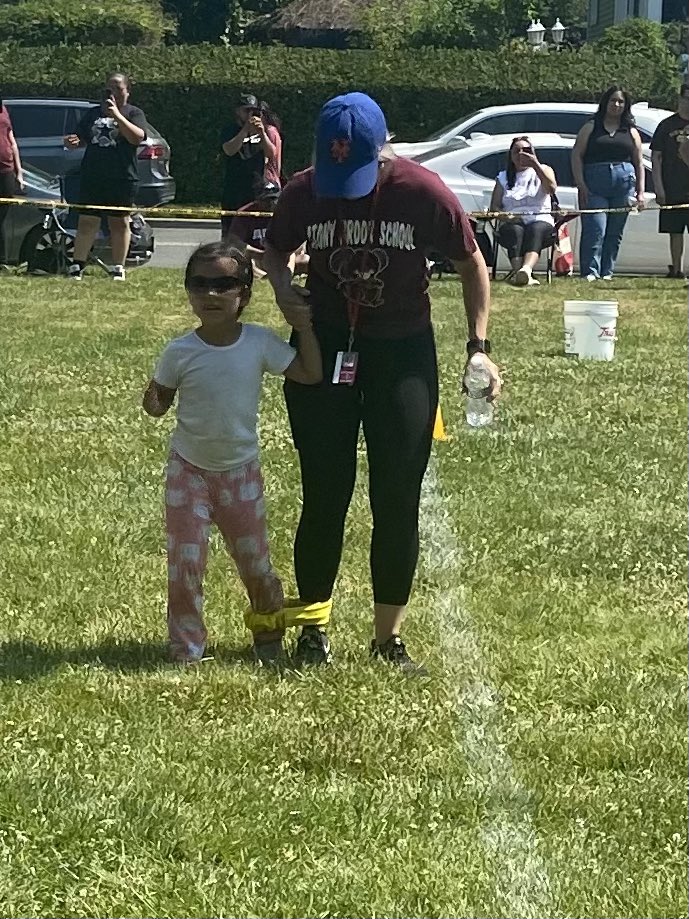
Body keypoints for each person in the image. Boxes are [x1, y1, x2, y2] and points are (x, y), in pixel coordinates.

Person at [263, 92, 501, 672]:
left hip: (402, 352)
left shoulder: (421, 192)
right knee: (324, 491)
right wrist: (283, 287)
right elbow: (272, 251)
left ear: (383, 147)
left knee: (397, 494)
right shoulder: (303, 189)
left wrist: (479, 347)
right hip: (324, 348)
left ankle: (387, 637)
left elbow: (472, 261)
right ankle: (313, 631)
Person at [142, 240, 322, 665]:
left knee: (255, 564)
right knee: (185, 565)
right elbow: (156, 405)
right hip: (188, 473)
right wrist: (152, 397)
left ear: (244, 292)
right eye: (200, 284)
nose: (211, 294)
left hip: (240, 473)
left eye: (224, 284)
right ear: (188, 292)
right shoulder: (180, 351)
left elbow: (310, 374)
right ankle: (186, 649)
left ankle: (268, 635)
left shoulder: (259, 343)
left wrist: (307, 328)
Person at [63, 72, 147, 281]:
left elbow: (137, 138)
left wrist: (117, 115)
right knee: (87, 222)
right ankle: (77, 265)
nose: (114, 93)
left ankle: (118, 267)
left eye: (118, 88)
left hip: (121, 177)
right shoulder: (92, 114)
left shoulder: (133, 113)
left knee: (119, 223)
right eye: (110, 88)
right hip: (93, 175)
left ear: (127, 91)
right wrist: (73, 142)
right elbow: (82, 138)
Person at [572, 85, 645, 282]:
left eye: (621, 101)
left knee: (615, 232)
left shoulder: (630, 131)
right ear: (605, 102)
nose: (617, 105)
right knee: (596, 229)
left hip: (623, 185)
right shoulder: (591, 126)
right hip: (594, 184)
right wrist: (581, 184)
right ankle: (590, 272)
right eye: (613, 100)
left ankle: (607, 272)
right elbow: (577, 155)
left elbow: (639, 162)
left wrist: (640, 192)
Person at [488, 136, 557, 286]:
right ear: (511, 156)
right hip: (513, 219)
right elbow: (494, 207)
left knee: (535, 229)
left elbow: (551, 189)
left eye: (526, 150)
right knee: (515, 231)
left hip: (540, 218)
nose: (521, 154)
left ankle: (526, 270)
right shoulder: (503, 177)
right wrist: (508, 217)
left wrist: (535, 165)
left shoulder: (544, 170)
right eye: (516, 151)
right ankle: (519, 272)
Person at [219, 93, 282, 238]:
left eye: (253, 111)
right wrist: (245, 130)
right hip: (234, 188)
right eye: (246, 110)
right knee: (230, 231)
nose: (250, 114)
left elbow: (272, 153)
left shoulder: (264, 130)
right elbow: (229, 150)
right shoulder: (230, 130)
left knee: (255, 230)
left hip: (256, 188)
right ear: (238, 111)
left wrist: (262, 134)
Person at [228, 180, 309, 277]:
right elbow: (235, 242)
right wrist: (260, 253)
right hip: (256, 258)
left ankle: (287, 274)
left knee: (305, 260)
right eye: (267, 200)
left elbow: (301, 241)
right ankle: (263, 276)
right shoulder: (244, 214)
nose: (272, 203)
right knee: (238, 262)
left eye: (275, 199)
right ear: (257, 199)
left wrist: (282, 252)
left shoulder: (288, 211)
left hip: (282, 257)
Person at [651, 83, 689, 279]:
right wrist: (659, 187)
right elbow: (656, 158)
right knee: (675, 231)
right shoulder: (666, 125)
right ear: (680, 98)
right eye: (687, 98)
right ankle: (677, 269)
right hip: (672, 185)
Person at [0, 98, 25, 270]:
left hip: (5, 171)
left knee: (2, 217)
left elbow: (12, 141)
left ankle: (2, 260)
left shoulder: (3, 110)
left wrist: (19, 172)